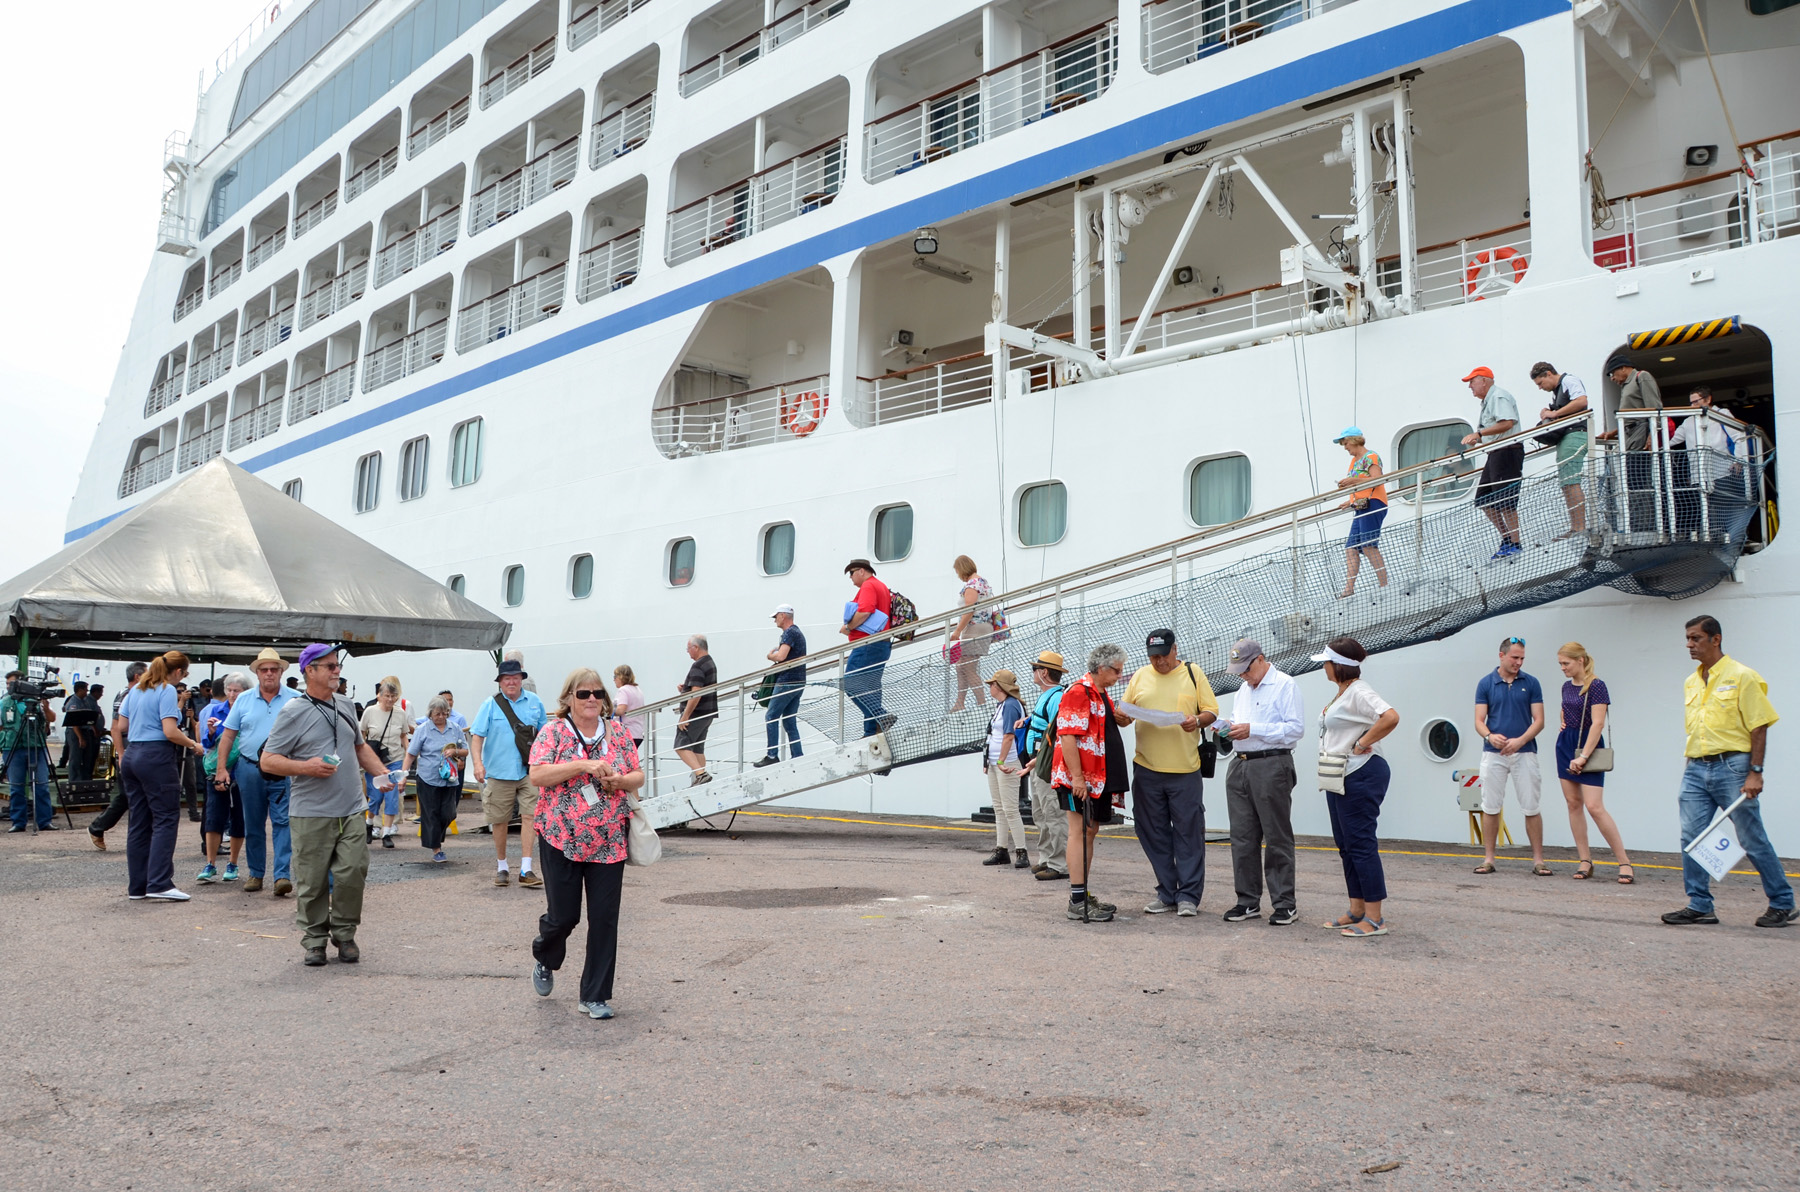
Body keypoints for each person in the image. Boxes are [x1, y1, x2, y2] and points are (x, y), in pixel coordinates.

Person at [261, 644, 400, 966]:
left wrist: (381, 773)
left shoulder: (346, 704)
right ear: (309, 671)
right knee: (312, 881)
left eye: (337, 665)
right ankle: (314, 941)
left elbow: (359, 747)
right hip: (311, 812)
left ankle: (345, 934)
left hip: (351, 807)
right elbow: (268, 761)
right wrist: (305, 767)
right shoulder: (293, 711)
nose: (337, 671)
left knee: (352, 874)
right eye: (329, 666)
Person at [1663, 616, 1795, 929]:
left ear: (1716, 639)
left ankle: (1782, 902)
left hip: (1733, 768)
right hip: (1696, 768)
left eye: (1696, 638)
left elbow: (1759, 726)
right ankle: (1700, 905)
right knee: (1692, 837)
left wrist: (1755, 772)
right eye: (1688, 638)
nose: (1689, 645)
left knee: (1751, 838)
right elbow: (1696, 729)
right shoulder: (1691, 681)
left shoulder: (1742, 676)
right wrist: (1689, 768)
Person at [527, 669, 645, 1020]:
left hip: (608, 839)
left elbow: (638, 774)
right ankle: (545, 956)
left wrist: (620, 780)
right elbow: (537, 774)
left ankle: (595, 995)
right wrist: (582, 765)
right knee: (564, 916)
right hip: (560, 837)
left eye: (597, 693)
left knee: (605, 919)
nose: (591, 699)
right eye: (583, 693)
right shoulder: (553, 732)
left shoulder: (618, 733)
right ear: (569, 699)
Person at [1120, 630, 1219, 916]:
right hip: (1147, 768)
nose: (1159, 661)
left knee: (1189, 833)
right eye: (1153, 657)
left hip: (1185, 770)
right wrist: (1122, 717)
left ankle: (1188, 895)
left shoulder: (1193, 673)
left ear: (1175, 649)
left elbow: (1211, 711)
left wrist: (1196, 721)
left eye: (1163, 655)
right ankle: (1167, 891)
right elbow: (1126, 716)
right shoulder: (1140, 676)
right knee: (1152, 832)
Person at [1313, 637, 1400, 938]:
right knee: (1346, 844)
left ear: (1338, 665)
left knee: (1361, 844)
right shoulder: (1344, 692)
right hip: (1340, 774)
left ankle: (1375, 919)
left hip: (1361, 773)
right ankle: (1357, 909)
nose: (1323, 667)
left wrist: (1363, 743)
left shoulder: (1360, 691)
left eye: (1326, 662)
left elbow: (1391, 717)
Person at [1219, 639, 1304, 925]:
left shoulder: (1284, 684)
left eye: (1246, 669)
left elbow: (1295, 729)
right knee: (1242, 836)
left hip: (1272, 763)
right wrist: (1229, 728)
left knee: (1276, 835)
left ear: (1260, 659)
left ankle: (1285, 903)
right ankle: (1247, 901)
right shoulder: (1243, 689)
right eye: (1239, 671)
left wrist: (1253, 729)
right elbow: (1241, 721)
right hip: (1240, 763)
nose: (1243, 676)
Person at [115, 651, 203, 901]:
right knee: (165, 818)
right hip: (155, 756)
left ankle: (138, 886)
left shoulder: (136, 689)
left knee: (139, 821)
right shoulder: (166, 690)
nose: (183, 678)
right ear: (178, 671)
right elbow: (170, 731)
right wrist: (193, 744)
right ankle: (160, 882)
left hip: (133, 753)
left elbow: (122, 726)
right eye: (184, 674)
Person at [1052, 645, 1130, 922]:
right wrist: (1077, 778)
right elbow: (1067, 736)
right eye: (1116, 671)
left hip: (1096, 778)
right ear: (1101, 668)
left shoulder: (1100, 694)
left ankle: (1081, 894)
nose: (1119, 676)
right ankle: (1077, 900)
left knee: (1089, 831)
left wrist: (1121, 718)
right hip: (1080, 779)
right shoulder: (1078, 692)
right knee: (1079, 831)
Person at [215, 648, 299, 895]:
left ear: (281, 672)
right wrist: (221, 768)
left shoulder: (296, 699)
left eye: (273, 669)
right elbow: (228, 735)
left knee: (283, 823)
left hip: (284, 769)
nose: (269, 673)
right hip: (249, 768)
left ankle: (281, 876)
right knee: (253, 822)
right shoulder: (243, 699)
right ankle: (256, 873)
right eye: (264, 670)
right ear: (258, 673)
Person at [1554, 643, 1634, 885]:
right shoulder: (1566, 686)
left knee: (1594, 806)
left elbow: (1597, 723)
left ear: (1580, 660)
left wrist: (1584, 757)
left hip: (1589, 747)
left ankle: (1624, 862)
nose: (1562, 668)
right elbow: (1566, 709)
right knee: (1573, 804)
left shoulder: (1597, 686)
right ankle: (1585, 860)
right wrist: (1562, 721)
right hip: (1566, 745)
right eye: (1560, 664)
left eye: (1566, 663)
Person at [1473, 636, 1548, 875]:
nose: (1519, 662)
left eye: (1522, 658)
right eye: (1515, 657)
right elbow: (1479, 721)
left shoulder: (1532, 683)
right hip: (1493, 754)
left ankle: (1538, 860)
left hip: (1525, 752)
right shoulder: (1485, 683)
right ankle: (1489, 859)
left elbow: (1539, 720)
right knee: (1490, 806)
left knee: (1531, 806)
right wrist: (1489, 736)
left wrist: (1520, 741)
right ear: (1501, 655)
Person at [470, 658, 549, 887]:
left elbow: (545, 736)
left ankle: (526, 868)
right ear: (500, 682)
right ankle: (502, 866)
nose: (511, 682)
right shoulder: (490, 704)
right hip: (499, 771)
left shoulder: (534, 702)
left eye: (515, 678)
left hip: (529, 770)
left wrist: (546, 764)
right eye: (507, 679)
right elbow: (477, 737)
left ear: (522, 679)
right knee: (500, 820)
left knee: (530, 816)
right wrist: (477, 764)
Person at [1460, 366, 1524, 560]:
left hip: (1507, 451)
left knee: (1506, 501)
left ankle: (1515, 543)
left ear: (1484, 380)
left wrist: (1479, 433)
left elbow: (1507, 423)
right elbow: (1496, 429)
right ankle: (1507, 538)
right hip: (1496, 453)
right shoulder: (1489, 401)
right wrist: (1479, 439)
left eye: (1472, 381)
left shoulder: (1498, 397)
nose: (1470, 386)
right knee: (1484, 500)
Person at [195, 672, 249, 884]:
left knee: (238, 819)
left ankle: (233, 864)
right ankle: (210, 863)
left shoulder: (248, 711)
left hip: (241, 773)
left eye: (237, 691)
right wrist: (210, 732)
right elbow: (206, 745)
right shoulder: (214, 711)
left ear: (245, 692)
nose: (232, 694)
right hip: (217, 772)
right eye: (230, 690)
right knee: (213, 818)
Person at [1600, 355, 1663, 531]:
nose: (1612, 379)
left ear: (1623, 368)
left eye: (1612, 374)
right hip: (1631, 433)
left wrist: (1652, 435)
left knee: (1639, 477)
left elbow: (1654, 408)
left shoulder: (1642, 377)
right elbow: (1631, 415)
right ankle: (1639, 522)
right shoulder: (1627, 385)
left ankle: (1645, 524)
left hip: (1641, 432)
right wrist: (1613, 432)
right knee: (1633, 479)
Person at [88, 662, 147, 850]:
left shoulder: (137, 693)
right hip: (129, 747)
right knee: (130, 795)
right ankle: (100, 828)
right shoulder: (126, 695)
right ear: (137, 677)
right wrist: (121, 754)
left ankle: (100, 828)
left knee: (129, 795)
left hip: (136, 747)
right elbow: (115, 728)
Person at [1529, 361, 1592, 538]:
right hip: (1568, 438)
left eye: (1540, 383)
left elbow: (1582, 401)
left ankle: (1579, 528)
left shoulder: (1569, 380)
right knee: (1567, 483)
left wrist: (1554, 414)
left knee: (1571, 481)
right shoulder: (1558, 390)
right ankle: (1575, 527)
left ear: (1548, 374)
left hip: (1575, 434)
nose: (1540, 388)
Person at [1022, 651, 1070, 881]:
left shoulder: (1056, 698)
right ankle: (1046, 858)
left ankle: (1059, 864)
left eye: (1035, 669)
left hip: (1046, 764)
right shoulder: (1048, 696)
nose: (1033, 673)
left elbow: (1057, 734)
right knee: (1041, 813)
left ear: (1043, 672)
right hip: (1039, 763)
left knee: (1053, 813)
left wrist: (1039, 758)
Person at [978, 668, 1030, 868]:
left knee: (1009, 809)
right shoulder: (1004, 705)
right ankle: (1002, 849)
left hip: (1006, 763)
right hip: (996, 763)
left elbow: (1009, 736)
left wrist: (1000, 762)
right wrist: (990, 762)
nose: (990, 687)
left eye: (992, 684)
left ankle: (1021, 851)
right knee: (1000, 808)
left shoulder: (1009, 705)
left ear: (999, 686)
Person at [407, 695, 469, 863]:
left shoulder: (455, 728)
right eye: (437, 714)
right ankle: (437, 849)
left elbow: (465, 750)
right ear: (430, 713)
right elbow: (411, 753)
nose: (441, 717)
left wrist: (455, 752)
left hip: (450, 778)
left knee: (449, 813)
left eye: (444, 713)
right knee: (431, 813)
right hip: (428, 777)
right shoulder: (422, 730)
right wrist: (403, 774)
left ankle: (435, 839)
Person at [841, 559, 897, 737]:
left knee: (850, 682)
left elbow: (865, 611)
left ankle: (881, 716)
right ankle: (872, 731)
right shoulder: (881, 586)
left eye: (851, 573)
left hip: (868, 644)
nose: (850, 578)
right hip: (881, 643)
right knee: (871, 687)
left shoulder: (868, 586)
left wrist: (848, 627)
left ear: (862, 571)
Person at [1332, 429, 1390, 598]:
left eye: (1345, 443)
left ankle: (1385, 585)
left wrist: (1354, 480)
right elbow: (1359, 485)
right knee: (1351, 548)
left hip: (1374, 503)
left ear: (1354, 440)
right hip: (1361, 505)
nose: (1345, 447)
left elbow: (1378, 479)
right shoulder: (1354, 461)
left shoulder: (1371, 457)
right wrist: (1350, 498)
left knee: (1368, 545)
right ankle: (1349, 589)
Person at [3, 670, 58, 832]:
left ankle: (45, 821)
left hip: (37, 747)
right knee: (16, 787)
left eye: (11, 683)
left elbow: (51, 718)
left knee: (41, 785)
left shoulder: (35, 700)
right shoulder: (4, 702)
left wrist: (45, 707)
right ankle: (18, 822)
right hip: (13, 748)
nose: (9, 687)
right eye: (7, 684)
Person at [359, 682, 411, 848]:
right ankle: (369, 824)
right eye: (387, 696)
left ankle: (386, 833)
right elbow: (361, 733)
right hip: (374, 760)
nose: (390, 699)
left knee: (392, 796)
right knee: (375, 796)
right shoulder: (370, 711)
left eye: (393, 696)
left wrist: (409, 753)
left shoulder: (400, 713)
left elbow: (403, 735)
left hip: (394, 759)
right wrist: (362, 754)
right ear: (379, 696)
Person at [755, 606, 807, 767]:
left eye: (776, 617)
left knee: (771, 716)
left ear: (783, 616)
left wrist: (770, 656)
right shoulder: (797, 632)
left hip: (787, 681)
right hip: (799, 681)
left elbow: (782, 656)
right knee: (789, 721)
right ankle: (797, 755)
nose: (774, 620)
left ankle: (772, 755)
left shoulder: (789, 633)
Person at [946, 556, 997, 712]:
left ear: (962, 569)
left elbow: (969, 610)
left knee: (968, 668)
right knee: (961, 666)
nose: (958, 575)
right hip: (980, 628)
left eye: (957, 571)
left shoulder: (972, 585)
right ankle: (960, 702)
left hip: (974, 629)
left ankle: (982, 704)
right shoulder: (982, 582)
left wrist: (957, 631)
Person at [674, 636, 718, 785]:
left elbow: (696, 692)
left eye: (688, 649)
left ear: (696, 647)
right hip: (707, 712)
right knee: (698, 749)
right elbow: (699, 686)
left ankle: (701, 775)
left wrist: (685, 716)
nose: (688, 652)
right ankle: (701, 780)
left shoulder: (698, 665)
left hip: (696, 713)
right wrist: (685, 688)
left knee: (681, 746)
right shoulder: (710, 662)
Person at [61, 681, 102, 784]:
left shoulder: (84, 701)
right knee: (76, 758)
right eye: (85, 690)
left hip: (85, 730)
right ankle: (74, 782)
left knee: (87, 757)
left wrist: (93, 729)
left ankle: (85, 780)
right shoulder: (74, 703)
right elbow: (74, 722)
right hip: (75, 732)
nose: (86, 692)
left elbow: (88, 717)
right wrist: (80, 738)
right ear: (80, 690)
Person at [612, 667, 645, 749]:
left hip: (626, 733)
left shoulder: (623, 690)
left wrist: (606, 710)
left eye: (615, 677)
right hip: (638, 733)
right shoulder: (637, 689)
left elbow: (620, 710)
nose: (614, 680)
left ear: (621, 677)